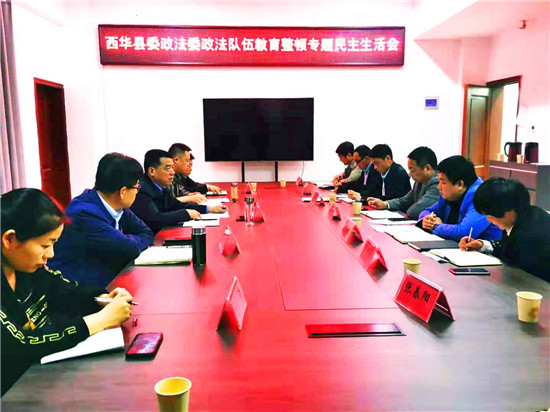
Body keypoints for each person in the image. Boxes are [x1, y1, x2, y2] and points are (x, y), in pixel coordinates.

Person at [1, 188, 133, 395]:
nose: (51, 254)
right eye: (45, 245)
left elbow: (65, 291)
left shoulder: (27, 267)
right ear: (9, 240)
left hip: (41, 379)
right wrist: (101, 320)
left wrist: (102, 299)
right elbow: (21, 345)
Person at [48, 153, 154, 287]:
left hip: (107, 278)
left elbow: (147, 233)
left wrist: (126, 240)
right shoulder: (83, 214)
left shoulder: (118, 205)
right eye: (137, 187)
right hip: (76, 289)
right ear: (123, 192)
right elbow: (130, 249)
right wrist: (128, 241)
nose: (137, 192)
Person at [459, 178, 550, 281]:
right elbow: (505, 245)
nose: (488, 219)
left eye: (490, 215)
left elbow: (512, 261)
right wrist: (481, 245)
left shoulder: (528, 236)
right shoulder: (530, 214)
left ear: (509, 210)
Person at [131, 149, 226, 233]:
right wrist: (185, 214)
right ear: (152, 171)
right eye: (168, 168)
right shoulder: (141, 190)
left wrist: (209, 209)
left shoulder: (160, 187)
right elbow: (155, 219)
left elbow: (176, 205)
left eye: (172, 167)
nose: (172, 172)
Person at [418, 155, 501, 242]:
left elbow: (464, 232)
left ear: (460, 184)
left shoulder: (481, 196)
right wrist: (427, 220)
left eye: (443, 182)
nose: (439, 186)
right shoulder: (449, 195)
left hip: (484, 249)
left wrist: (436, 226)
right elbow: (427, 211)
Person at [366, 146, 440, 220]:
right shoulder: (420, 182)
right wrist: (385, 204)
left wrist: (408, 209)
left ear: (427, 168)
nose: (409, 174)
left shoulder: (437, 183)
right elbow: (405, 201)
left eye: (412, 170)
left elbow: (414, 212)